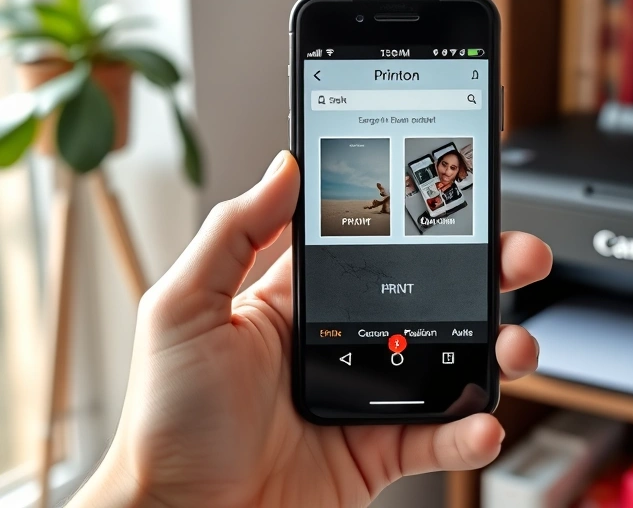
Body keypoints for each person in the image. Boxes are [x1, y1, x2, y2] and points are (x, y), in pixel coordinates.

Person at [68, 151, 552, 508]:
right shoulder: (408, 196)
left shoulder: (454, 205)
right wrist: (154, 492)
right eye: (440, 168)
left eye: (453, 169)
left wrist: (152, 494)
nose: (445, 174)